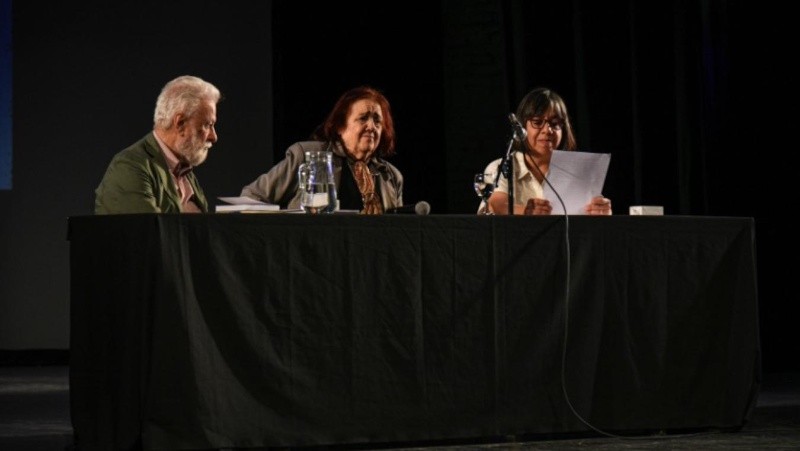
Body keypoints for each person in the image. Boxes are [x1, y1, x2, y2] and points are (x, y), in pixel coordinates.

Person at [241, 86, 403, 214]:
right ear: (340, 126)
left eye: (377, 121)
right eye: (363, 118)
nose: (372, 127)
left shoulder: (391, 176)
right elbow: (252, 197)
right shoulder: (307, 157)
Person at [94, 75, 221, 214]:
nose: (214, 137)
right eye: (207, 125)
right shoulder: (128, 167)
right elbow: (149, 227)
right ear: (180, 123)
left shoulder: (184, 172)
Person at [481, 87, 611, 215]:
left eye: (555, 123)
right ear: (522, 126)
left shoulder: (578, 170)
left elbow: (592, 217)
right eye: (537, 122)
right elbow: (496, 204)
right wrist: (526, 211)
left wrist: (601, 211)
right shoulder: (502, 166)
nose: (547, 130)